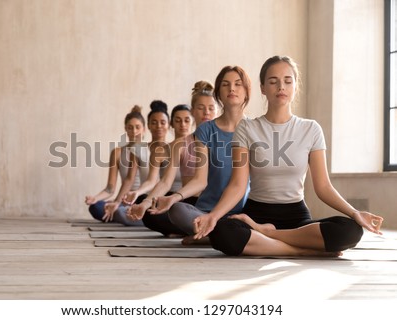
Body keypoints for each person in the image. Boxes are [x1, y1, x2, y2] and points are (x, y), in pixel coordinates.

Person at [194, 55, 384, 257]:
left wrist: (355, 213)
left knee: (350, 230)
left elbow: (323, 187)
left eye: (287, 81)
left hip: (296, 216)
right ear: (262, 88)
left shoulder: (310, 129)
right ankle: (304, 250)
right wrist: (214, 216)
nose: (280, 87)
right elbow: (238, 185)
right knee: (222, 232)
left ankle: (268, 236)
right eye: (273, 81)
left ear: (295, 86)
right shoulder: (247, 128)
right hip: (256, 214)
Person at [146, 67, 252, 240]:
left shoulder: (255, 128)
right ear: (218, 92)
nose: (232, 88)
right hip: (206, 209)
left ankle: (210, 236)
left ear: (247, 92)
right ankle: (214, 234)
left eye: (238, 84)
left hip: (242, 211)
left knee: (246, 222)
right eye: (226, 84)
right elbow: (200, 180)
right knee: (177, 210)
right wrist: (174, 198)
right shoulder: (206, 130)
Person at [127, 81, 218, 236]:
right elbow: (165, 182)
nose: (206, 113)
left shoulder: (226, 140)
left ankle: (202, 231)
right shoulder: (180, 145)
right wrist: (145, 203)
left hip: (218, 205)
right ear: (193, 112)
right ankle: (203, 231)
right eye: (201, 108)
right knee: (154, 213)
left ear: (217, 110)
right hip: (191, 205)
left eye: (211, 108)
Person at [103, 100, 181, 225]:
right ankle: (135, 213)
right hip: (144, 198)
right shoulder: (138, 149)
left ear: (169, 124)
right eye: (154, 123)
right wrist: (119, 201)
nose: (159, 126)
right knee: (101, 207)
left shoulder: (176, 149)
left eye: (163, 122)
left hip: (167, 199)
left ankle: (139, 215)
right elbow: (134, 180)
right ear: (148, 126)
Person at [84, 105, 145, 222]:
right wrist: (95, 198)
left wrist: (117, 201)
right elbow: (109, 189)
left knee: (123, 211)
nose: (134, 131)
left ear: (144, 129)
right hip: (123, 201)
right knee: (96, 207)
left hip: (142, 199)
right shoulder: (117, 152)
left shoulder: (149, 150)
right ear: (125, 129)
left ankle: (128, 214)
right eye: (130, 127)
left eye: (138, 127)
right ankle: (123, 214)